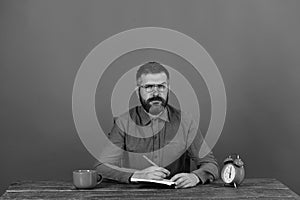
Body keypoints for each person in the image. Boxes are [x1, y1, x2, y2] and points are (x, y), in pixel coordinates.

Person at [94, 61, 219, 188]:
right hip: (134, 195)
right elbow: (102, 167)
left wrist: (195, 177)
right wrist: (137, 175)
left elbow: (211, 164)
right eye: (148, 87)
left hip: (177, 195)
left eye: (161, 86)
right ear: (138, 92)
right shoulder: (123, 122)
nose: (155, 93)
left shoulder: (186, 121)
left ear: (168, 90)